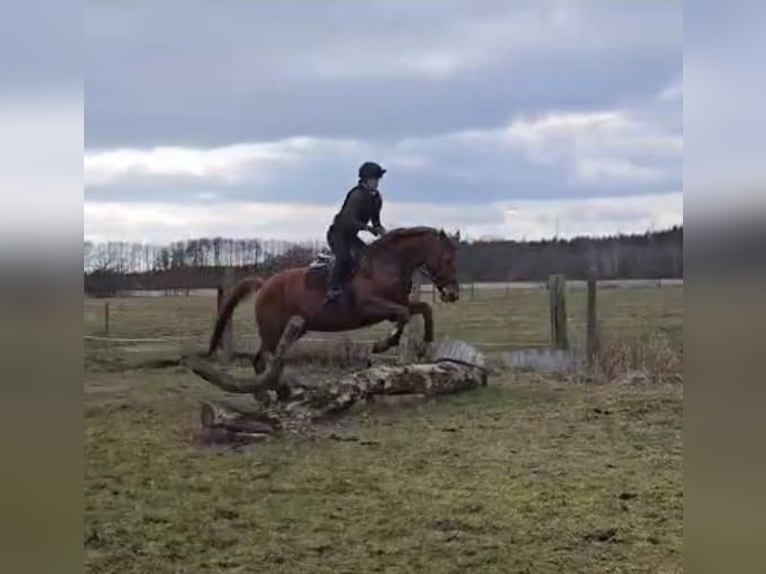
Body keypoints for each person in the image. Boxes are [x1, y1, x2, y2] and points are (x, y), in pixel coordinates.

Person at [325, 161, 387, 302]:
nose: (377, 182)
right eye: (374, 179)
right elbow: (348, 221)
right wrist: (368, 229)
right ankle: (333, 288)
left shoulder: (376, 198)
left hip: (351, 236)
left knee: (366, 258)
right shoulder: (356, 195)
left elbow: (376, 220)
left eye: (378, 179)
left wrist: (381, 230)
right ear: (365, 179)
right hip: (338, 234)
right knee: (344, 258)